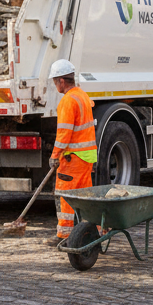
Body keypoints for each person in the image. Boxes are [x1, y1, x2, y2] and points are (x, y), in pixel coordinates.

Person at [48, 59, 97, 246]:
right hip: (87, 157)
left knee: (64, 196)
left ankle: (65, 235)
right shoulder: (82, 95)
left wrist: (54, 156)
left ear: (61, 81)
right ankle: (89, 233)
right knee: (84, 198)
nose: (55, 86)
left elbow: (63, 134)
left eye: (55, 82)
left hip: (73, 159)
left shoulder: (68, 100)